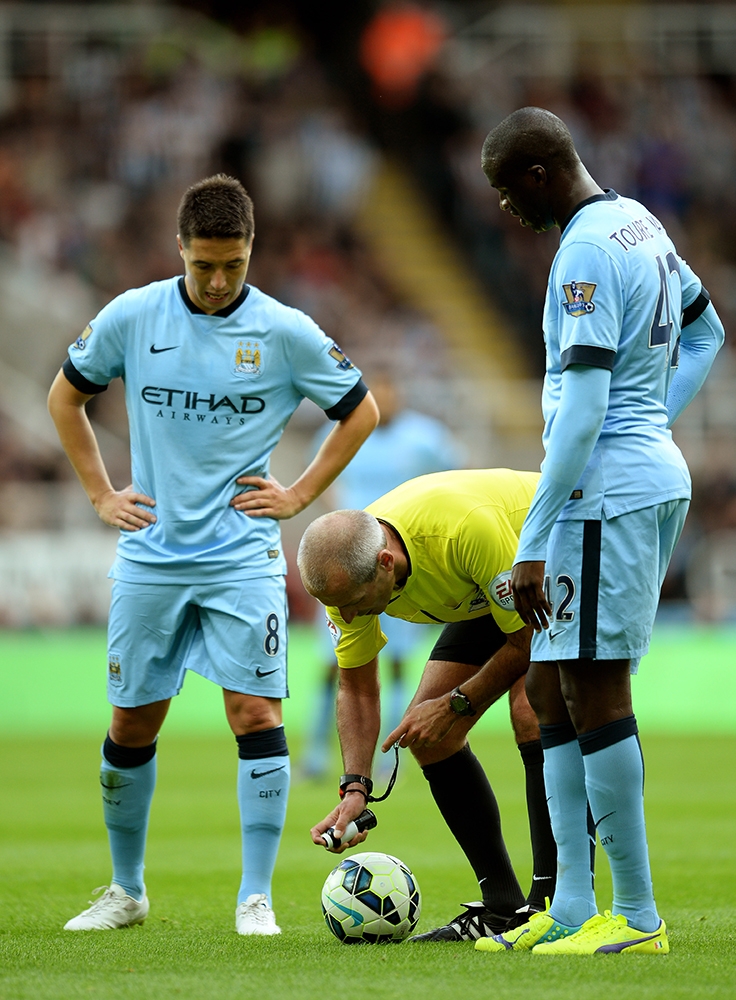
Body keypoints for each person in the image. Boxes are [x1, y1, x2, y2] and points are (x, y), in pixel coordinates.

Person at [47, 174, 379, 935]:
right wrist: (102, 494)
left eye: (233, 264)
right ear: (180, 251)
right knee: (132, 723)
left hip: (241, 557)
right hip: (151, 558)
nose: (219, 280)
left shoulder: (286, 331)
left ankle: (254, 898)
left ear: (251, 250)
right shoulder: (133, 316)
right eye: (204, 266)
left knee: (253, 710)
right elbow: (65, 397)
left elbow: (361, 412)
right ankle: (125, 891)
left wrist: (297, 495)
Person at [465, 107, 724, 955]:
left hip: (600, 492)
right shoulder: (639, 223)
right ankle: (572, 905)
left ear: (537, 175)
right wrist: (651, 421)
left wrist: (531, 538)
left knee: (595, 689)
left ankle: (638, 916)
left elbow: (579, 414)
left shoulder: (580, 248)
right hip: (633, 474)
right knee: (547, 691)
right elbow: (706, 328)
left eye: (506, 190)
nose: (504, 207)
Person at [297, 468, 560, 942]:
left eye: (355, 603)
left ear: (384, 563)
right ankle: (503, 909)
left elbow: (526, 642)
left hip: (552, 552)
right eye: (339, 607)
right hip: (486, 589)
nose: (349, 616)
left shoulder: (464, 530)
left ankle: (553, 907)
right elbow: (357, 688)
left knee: (532, 712)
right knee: (431, 740)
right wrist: (355, 788)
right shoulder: (345, 583)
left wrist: (457, 703)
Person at [300, 369, 464, 778]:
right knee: (337, 666)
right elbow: (323, 482)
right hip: (350, 568)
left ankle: (392, 756)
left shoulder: (425, 437)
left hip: (395, 567)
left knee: (395, 666)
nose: (385, 402)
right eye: (378, 395)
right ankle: (316, 755)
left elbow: (454, 478)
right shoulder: (343, 434)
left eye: (391, 394)